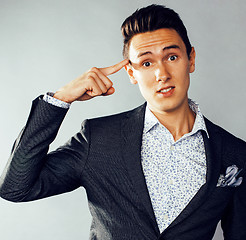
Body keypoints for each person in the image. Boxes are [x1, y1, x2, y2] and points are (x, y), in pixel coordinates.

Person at [0, 4, 245, 240]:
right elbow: (16, 188)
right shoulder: (98, 139)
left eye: (171, 57)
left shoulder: (235, 153)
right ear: (131, 73)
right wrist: (61, 99)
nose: (162, 74)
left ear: (190, 60)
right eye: (147, 63)